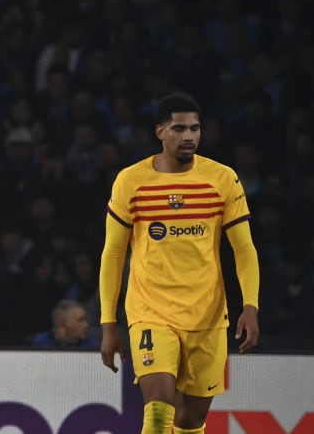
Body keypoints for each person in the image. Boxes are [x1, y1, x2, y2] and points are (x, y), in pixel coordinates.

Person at [99, 93, 261, 434]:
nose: (189, 136)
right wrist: (108, 323)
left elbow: (244, 248)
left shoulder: (222, 179)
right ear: (160, 132)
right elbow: (113, 254)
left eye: (195, 128)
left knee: (190, 420)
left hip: (207, 314)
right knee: (158, 413)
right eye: (179, 128)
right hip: (151, 311)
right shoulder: (131, 181)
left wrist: (251, 305)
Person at [31, 298, 98, 350]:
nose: (86, 325)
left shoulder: (93, 346)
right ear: (63, 323)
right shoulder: (39, 344)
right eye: (80, 320)